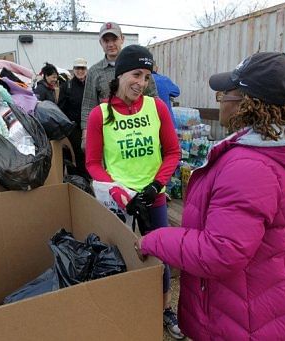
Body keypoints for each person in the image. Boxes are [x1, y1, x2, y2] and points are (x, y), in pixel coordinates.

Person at [135, 52, 285, 340]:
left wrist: (154, 240)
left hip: (251, 321)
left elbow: (221, 252)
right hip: (267, 306)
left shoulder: (250, 166)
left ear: (246, 102)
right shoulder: (281, 148)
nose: (221, 99)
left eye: (224, 93)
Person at [85, 45, 183, 339]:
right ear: (120, 75)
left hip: (154, 198)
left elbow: (173, 152)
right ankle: (124, 311)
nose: (141, 82)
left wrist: (155, 186)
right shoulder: (99, 115)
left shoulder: (157, 108)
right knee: (123, 257)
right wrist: (116, 191)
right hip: (120, 202)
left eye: (147, 76)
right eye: (136, 74)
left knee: (160, 259)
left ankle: (164, 309)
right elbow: (92, 163)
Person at [80, 22, 157, 150]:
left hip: (140, 130)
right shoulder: (94, 71)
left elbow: (153, 98)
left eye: (114, 39)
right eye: (106, 40)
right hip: (108, 132)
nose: (110, 44)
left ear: (122, 39)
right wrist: (86, 135)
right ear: (101, 43)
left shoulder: (137, 63)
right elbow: (88, 105)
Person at [58, 57, 89, 178]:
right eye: (77, 68)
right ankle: (80, 179)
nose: (80, 71)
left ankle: (88, 176)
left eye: (82, 68)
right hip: (74, 127)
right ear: (73, 69)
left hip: (89, 126)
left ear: (86, 69)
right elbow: (60, 108)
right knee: (78, 153)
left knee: (91, 152)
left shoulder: (90, 85)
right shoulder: (67, 86)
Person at [152, 63, 180, 127]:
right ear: (156, 68)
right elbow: (177, 92)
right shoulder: (163, 80)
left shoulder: (141, 81)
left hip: (150, 122)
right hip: (166, 121)